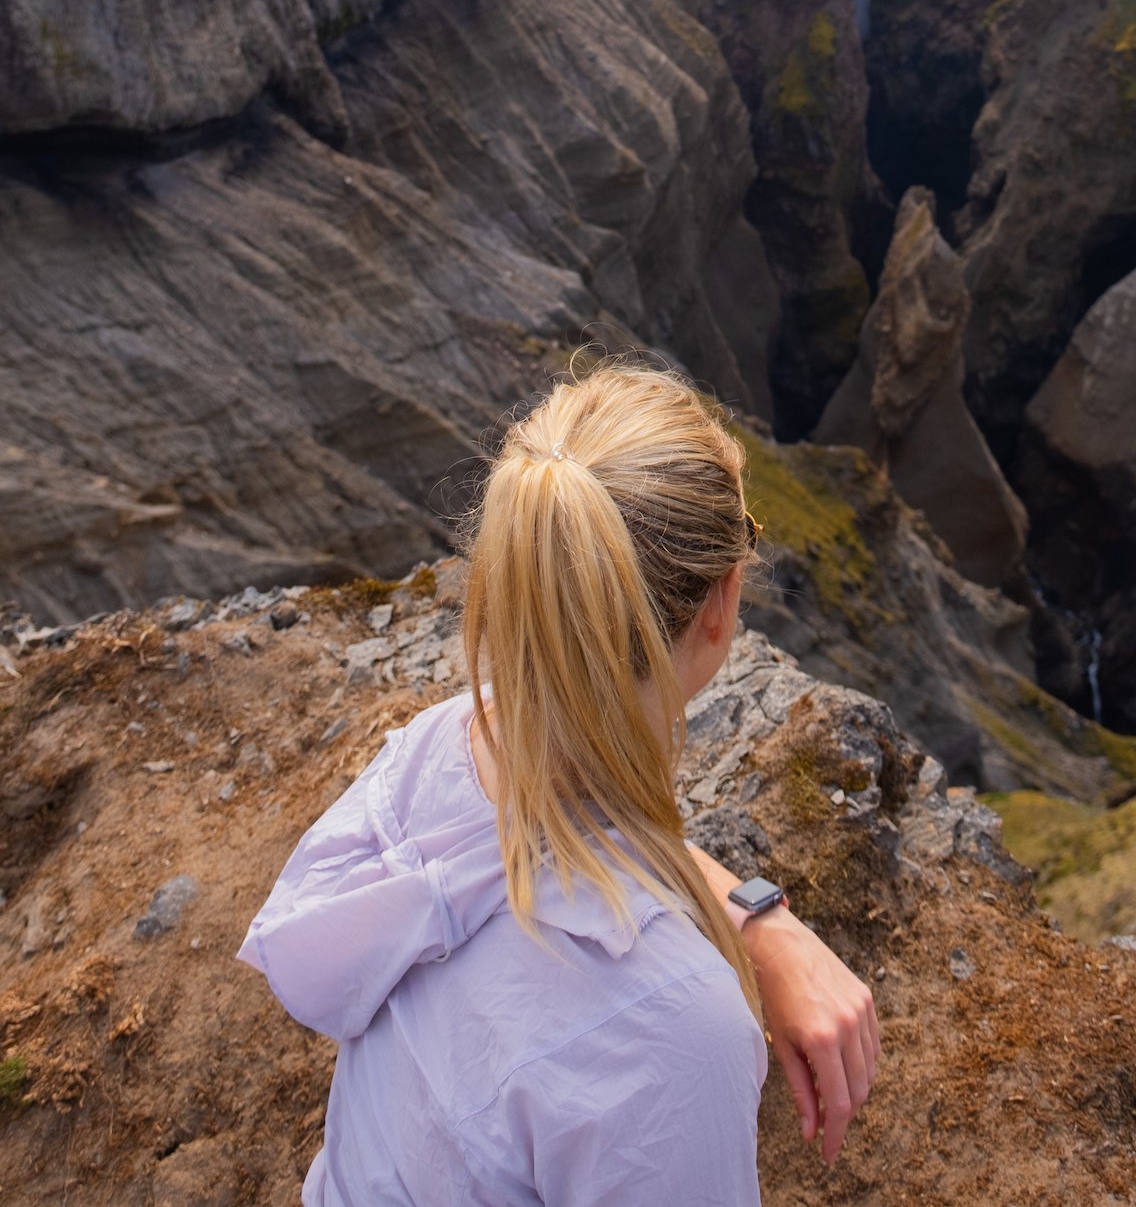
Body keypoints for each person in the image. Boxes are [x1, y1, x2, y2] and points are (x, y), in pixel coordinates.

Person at [240, 362, 880, 1205]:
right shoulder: (675, 1026)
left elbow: (571, 837)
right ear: (720, 606)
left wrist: (761, 922)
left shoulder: (439, 752)